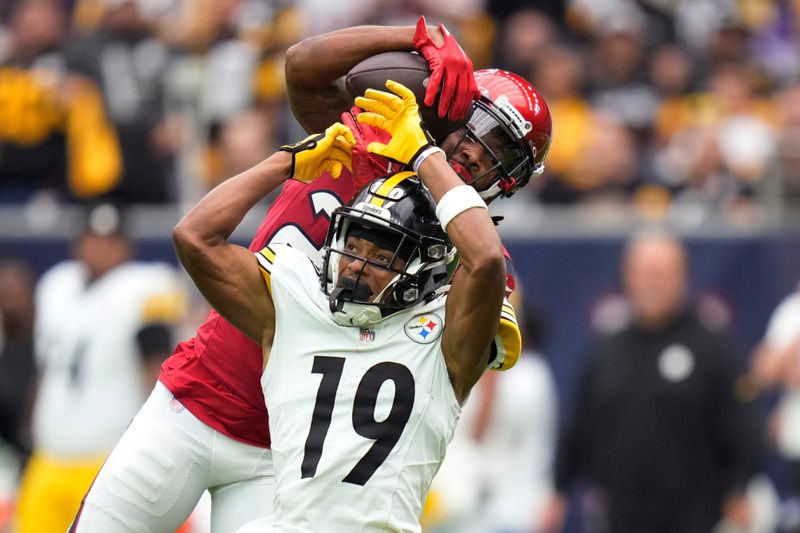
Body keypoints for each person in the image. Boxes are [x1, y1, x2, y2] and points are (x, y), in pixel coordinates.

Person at [70, 17, 545, 531]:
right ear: (453, 112)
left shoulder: (472, 255)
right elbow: (301, 66)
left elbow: (480, 285)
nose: (476, 150)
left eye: (500, 150)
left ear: (512, 181)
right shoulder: (366, 142)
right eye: (478, 129)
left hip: (290, 450)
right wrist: (414, 37)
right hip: (198, 392)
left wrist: (424, 156)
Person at [541, 231, 758, 533]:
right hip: (619, 516)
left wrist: (739, 489)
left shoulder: (713, 349)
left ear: (683, 276)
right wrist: (558, 492)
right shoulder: (606, 350)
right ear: (627, 277)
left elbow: (742, 428)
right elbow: (580, 427)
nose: (652, 283)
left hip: (695, 517)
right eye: (644, 273)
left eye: (662, 273)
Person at [14, 204, 185, 533]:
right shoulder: (56, 285)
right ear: (78, 243)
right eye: (92, 239)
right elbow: (47, 369)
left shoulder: (146, 286)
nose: (99, 249)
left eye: (110, 241)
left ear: (126, 246)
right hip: (48, 457)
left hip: (107, 460)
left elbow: (158, 371)